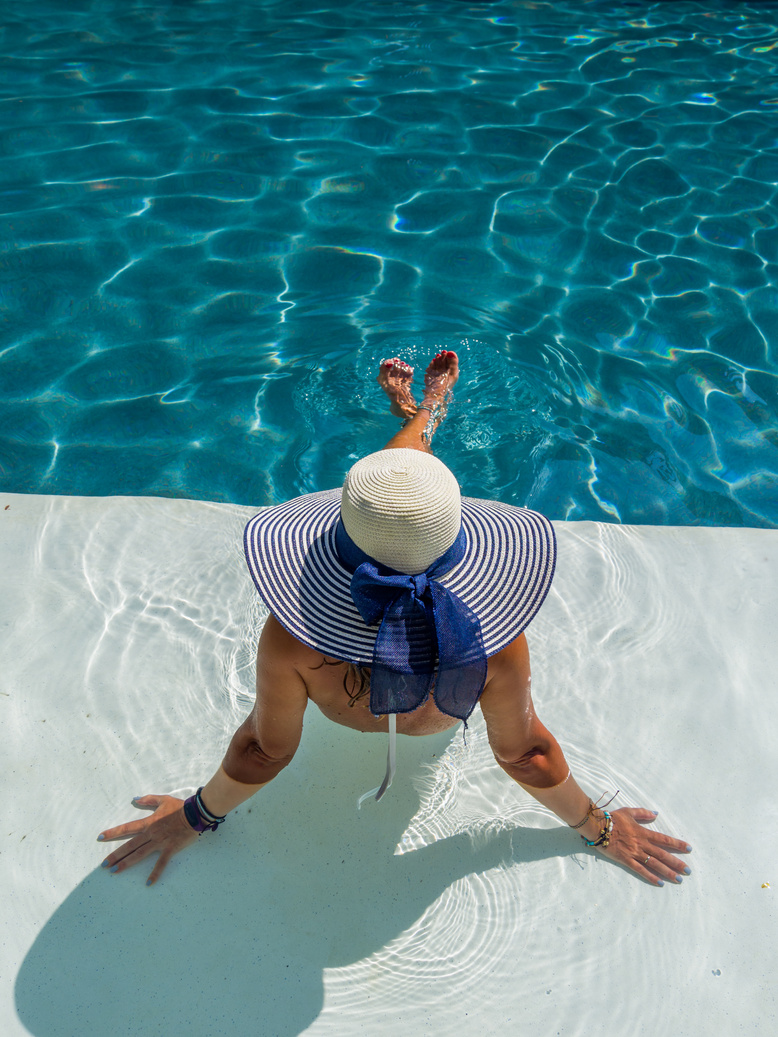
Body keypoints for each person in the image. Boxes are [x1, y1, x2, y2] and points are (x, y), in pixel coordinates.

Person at [98, 351, 692, 888]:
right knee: (403, 495)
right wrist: (602, 829)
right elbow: (527, 753)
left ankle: (420, 413)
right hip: (435, 713)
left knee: (389, 497)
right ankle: (426, 410)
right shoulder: (492, 639)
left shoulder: (293, 638)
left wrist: (196, 816)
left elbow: (261, 750)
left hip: (347, 647)